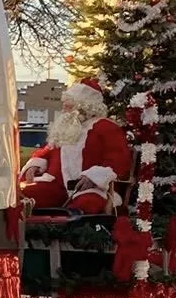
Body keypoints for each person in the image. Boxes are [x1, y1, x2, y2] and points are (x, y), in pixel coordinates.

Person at [18, 78, 131, 214]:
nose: (64, 109)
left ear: (84, 106)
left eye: (68, 106)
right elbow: (47, 151)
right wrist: (35, 165)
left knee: (87, 204)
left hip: (91, 187)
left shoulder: (105, 127)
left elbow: (118, 159)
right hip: (55, 185)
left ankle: (73, 234)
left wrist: (94, 176)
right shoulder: (64, 128)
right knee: (21, 194)